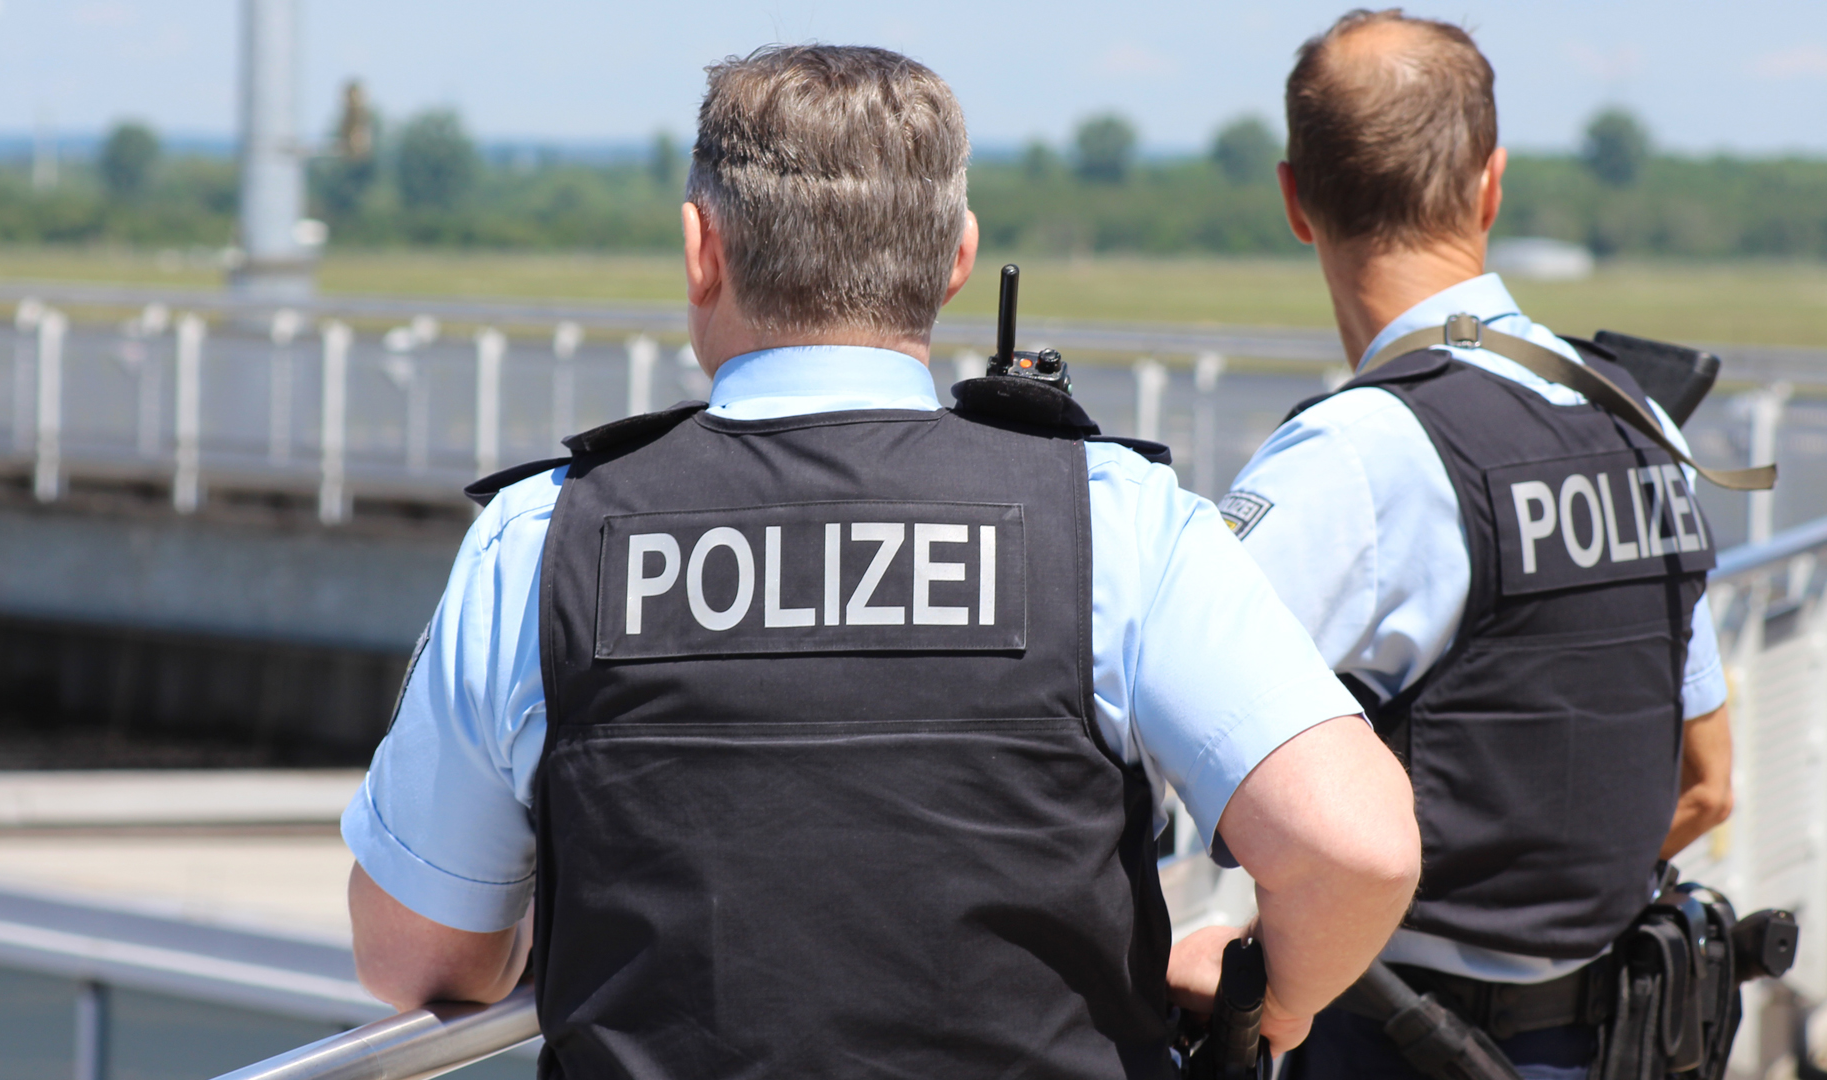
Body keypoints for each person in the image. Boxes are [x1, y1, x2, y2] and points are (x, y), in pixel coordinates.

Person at [342, 44, 1419, 1079]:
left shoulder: (543, 541)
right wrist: (1271, 1004)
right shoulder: (1111, 522)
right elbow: (1357, 847)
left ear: (701, 249)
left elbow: (416, 959)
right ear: (957, 261)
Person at [1219, 11, 1736, 1080]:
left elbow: (1146, 737)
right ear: (1491, 185)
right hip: (1628, 1033)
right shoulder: (1640, 418)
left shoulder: (1354, 455)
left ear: (1296, 201)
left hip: (1397, 1037)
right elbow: (1707, 782)